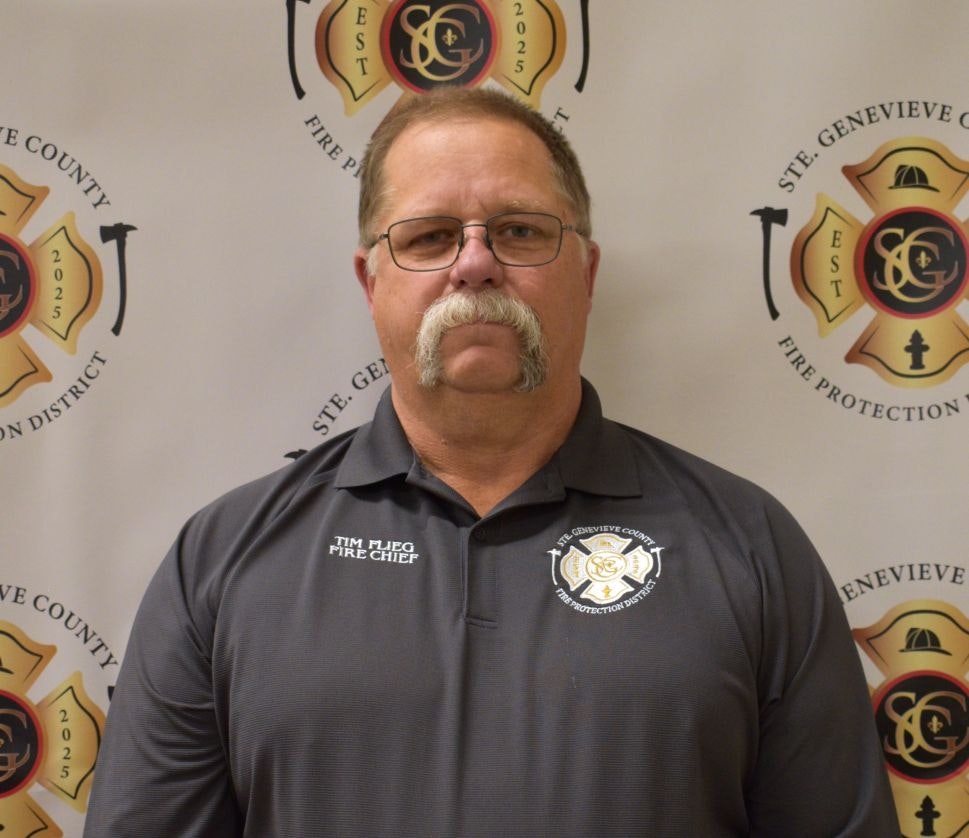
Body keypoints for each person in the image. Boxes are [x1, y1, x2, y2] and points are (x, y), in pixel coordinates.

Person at [84, 87, 900, 837]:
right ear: (372, 283)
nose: (473, 263)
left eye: (518, 230)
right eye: (430, 236)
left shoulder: (751, 548)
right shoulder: (223, 562)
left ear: (584, 271)